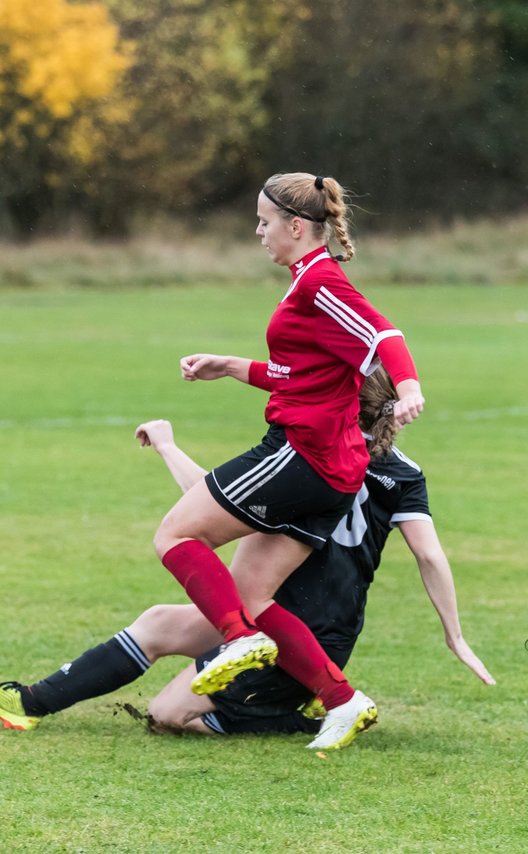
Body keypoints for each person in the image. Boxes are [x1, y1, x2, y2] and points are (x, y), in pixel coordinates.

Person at [0, 370, 493, 742]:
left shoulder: (316, 465)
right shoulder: (399, 472)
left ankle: (309, 709)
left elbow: (223, 510)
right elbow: (430, 556)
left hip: (297, 635)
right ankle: (29, 702)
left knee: (169, 714)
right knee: (160, 622)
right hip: (291, 617)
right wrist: (455, 634)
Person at [151, 172, 425, 749]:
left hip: (302, 454)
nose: (258, 231)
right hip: (333, 466)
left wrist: (409, 385)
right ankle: (343, 702)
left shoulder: (320, 281)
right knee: (252, 594)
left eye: (264, 221)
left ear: (296, 226)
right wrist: (229, 366)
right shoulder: (306, 282)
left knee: (175, 536)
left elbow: (383, 333)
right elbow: (297, 376)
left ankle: (235, 640)